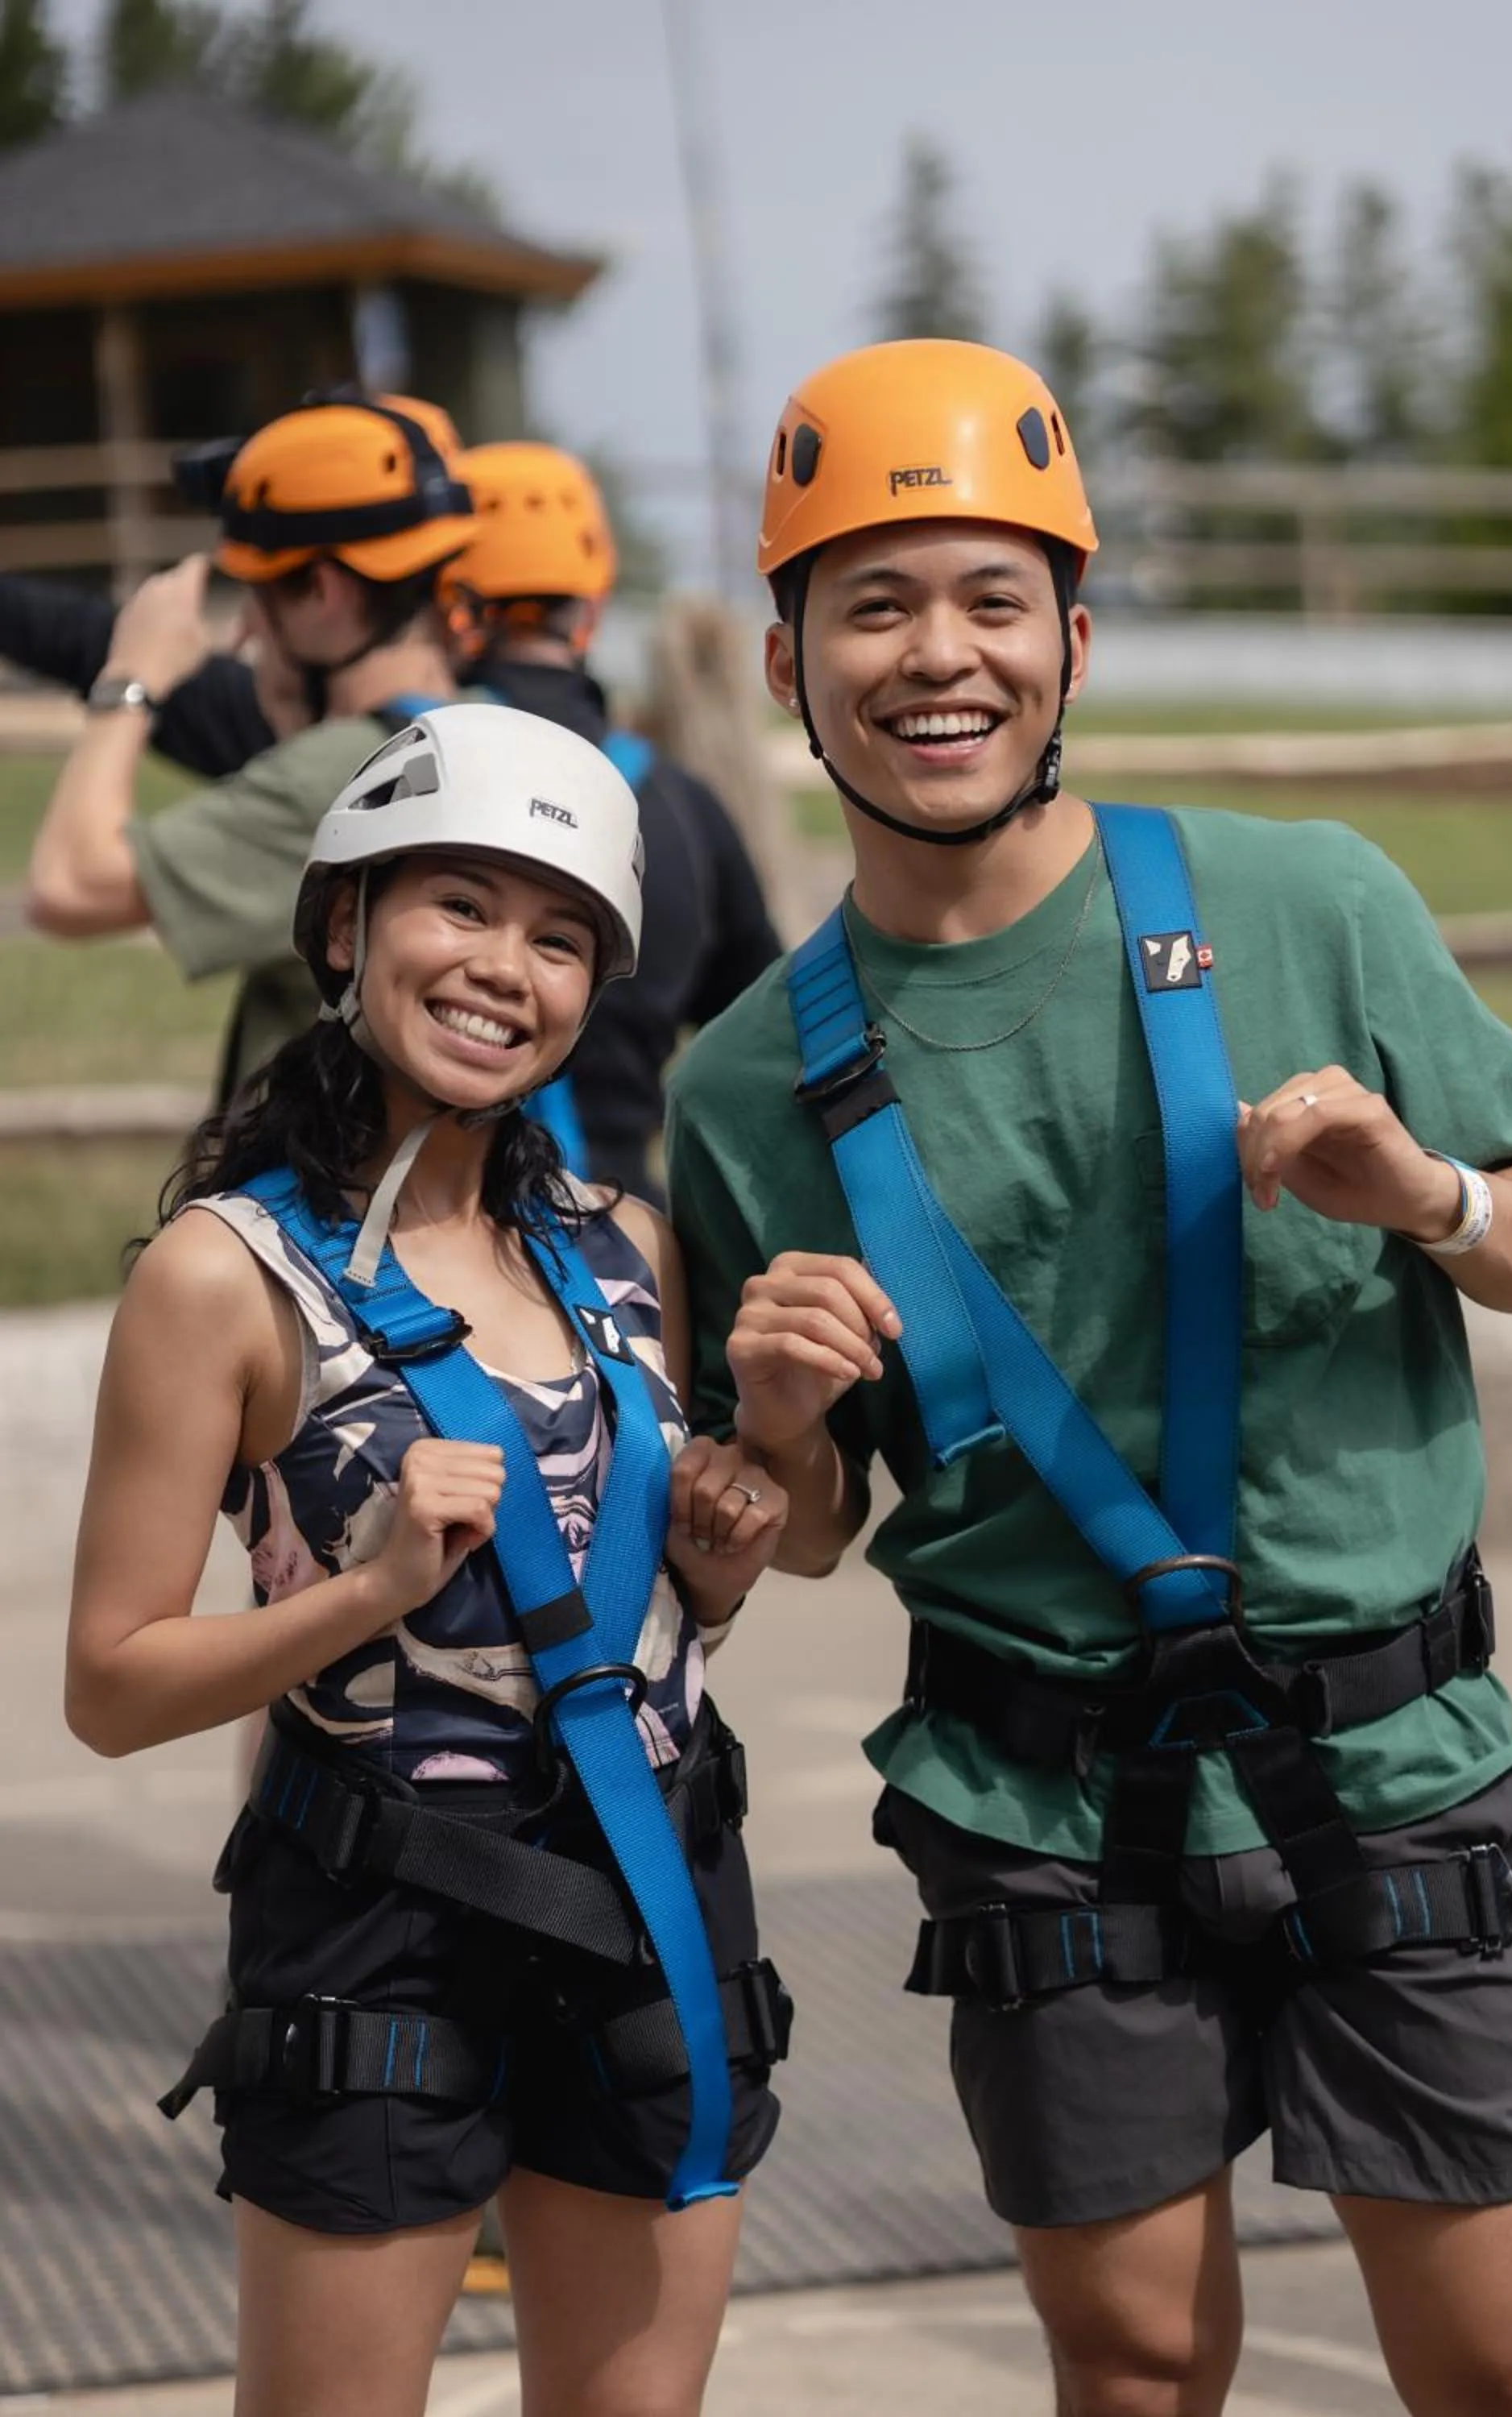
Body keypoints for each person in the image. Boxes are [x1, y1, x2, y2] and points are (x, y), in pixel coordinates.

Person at [665, 338, 1512, 2417]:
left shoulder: (1311, 903)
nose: (939, 657)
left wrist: (1424, 1191)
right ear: (783, 660)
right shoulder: (745, 1086)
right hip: (1042, 1805)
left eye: (992, 601)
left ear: (1074, 640)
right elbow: (809, 1537)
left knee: (1508, 2371)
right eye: (874, 605)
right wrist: (783, 1427)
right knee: (1131, 2373)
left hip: (1393, 1761)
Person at [64, 700, 790, 2417]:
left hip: (651, 1890)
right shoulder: (219, 1278)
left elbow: (641, 1631)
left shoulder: (625, 1250)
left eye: (556, 939)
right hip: (376, 1922)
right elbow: (108, 1688)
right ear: (345, 923)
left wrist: (722, 1559)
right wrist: (366, 1587)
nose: (501, 970)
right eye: (455, 905)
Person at [23, 392, 476, 1101]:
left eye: (259, 599)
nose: (243, 635)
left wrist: (132, 677)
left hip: (323, 1206)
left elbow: (67, 886)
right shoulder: (483, 729)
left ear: (324, 591)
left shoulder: (347, 774)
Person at [443, 440, 781, 1200]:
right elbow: (768, 1039)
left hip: (426, 1236)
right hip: (623, 1243)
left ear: (448, 604)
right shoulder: (684, 806)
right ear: (591, 606)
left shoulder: (401, 763)